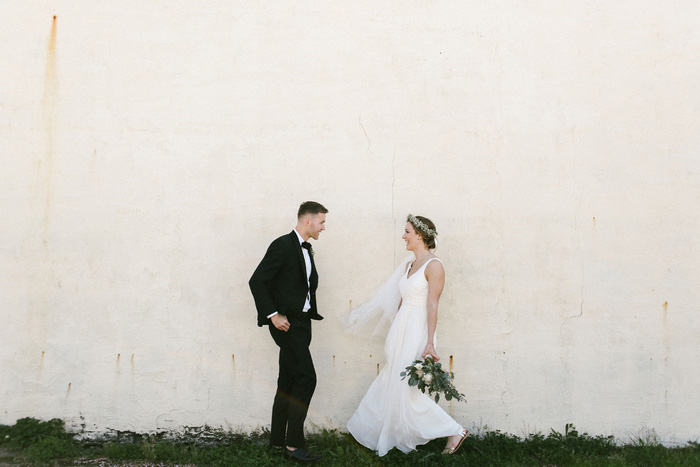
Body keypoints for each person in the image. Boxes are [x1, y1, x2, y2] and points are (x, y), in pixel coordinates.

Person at [345, 214, 468, 456]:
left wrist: (430, 343)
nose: (403, 236)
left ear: (420, 236)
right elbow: (401, 301)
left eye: (407, 232)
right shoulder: (408, 265)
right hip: (402, 328)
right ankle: (384, 433)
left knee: (405, 385)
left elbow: (432, 305)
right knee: (393, 380)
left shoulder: (435, 266)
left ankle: (454, 429)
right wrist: (393, 332)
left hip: (418, 330)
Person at [249, 201, 328, 463]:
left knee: (289, 381)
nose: (323, 228)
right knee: (307, 378)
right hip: (287, 325)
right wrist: (273, 315)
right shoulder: (283, 245)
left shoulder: (305, 248)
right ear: (308, 221)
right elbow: (257, 280)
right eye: (321, 222)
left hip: (302, 323)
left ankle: (276, 441)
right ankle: (294, 444)